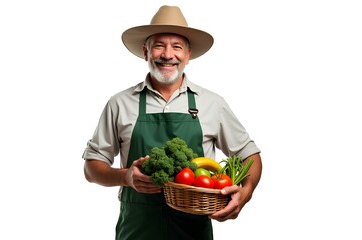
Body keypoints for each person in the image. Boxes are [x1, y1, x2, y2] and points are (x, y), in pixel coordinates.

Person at [82, 5, 262, 240]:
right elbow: (91, 167)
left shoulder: (212, 104)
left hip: (193, 231)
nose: (168, 55)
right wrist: (125, 176)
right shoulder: (120, 103)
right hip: (137, 230)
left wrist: (245, 192)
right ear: (146, 52)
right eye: (159, 45)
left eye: (177, 46)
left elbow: (250, 154)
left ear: (188, 55)